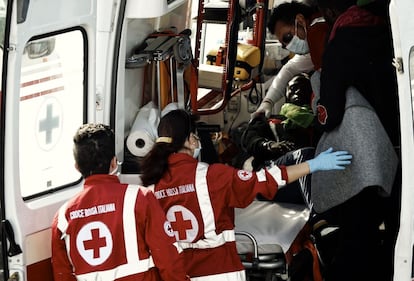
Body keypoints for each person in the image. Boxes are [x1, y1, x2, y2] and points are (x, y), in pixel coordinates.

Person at [139, 109, 352, 281]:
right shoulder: (212, 176)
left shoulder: (149, 187)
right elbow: (265, 180)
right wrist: (312, 164)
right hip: (220, 272)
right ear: (191, 141)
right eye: (195, 135)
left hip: (177, 274)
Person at [312, 0, 401, 280]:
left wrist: (318, 122)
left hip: (365, 152)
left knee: (359, 231)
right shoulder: (388, 27)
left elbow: (332, 111)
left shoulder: (342, 40)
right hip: (401, 141)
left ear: (328, 11)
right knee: (397, 223)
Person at [51, 123, 190, 281]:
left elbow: (62, 275)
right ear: (113, 163)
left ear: (77, 167)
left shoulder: (63, 217)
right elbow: (167, 257)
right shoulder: (140, 198)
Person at [254, 1, 329, 117]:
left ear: (300, 20)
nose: (289, 46)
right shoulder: (311, 40)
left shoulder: (318, 31)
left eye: (287, 37)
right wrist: (267, 102)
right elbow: (289, 69)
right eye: (285, 45)